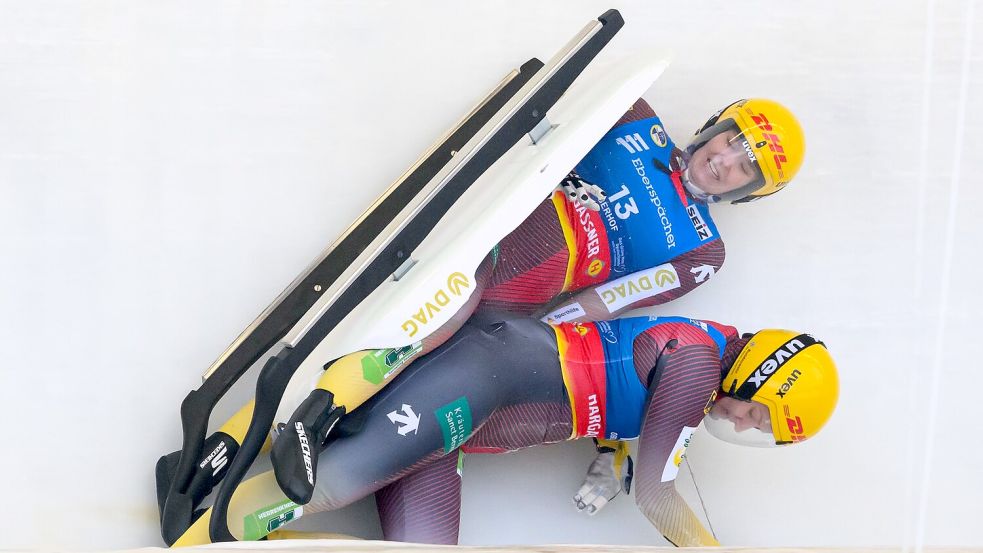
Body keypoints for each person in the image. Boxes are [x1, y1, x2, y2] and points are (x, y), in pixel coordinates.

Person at [269, 97, 808, 503]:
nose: (725, 161)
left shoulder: (703, 250)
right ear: (714, 124)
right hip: (489, 244)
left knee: (446, 377)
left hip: (522, 298)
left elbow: (606, 302)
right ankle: (318, 414)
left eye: (745, 168)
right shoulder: (636, 119)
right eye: (731, 141)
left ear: (747, 193)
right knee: (446, 310)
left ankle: (316, 451)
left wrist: (529, 336)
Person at [172, 310, 837, 547]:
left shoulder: (700, 357)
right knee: (331, 483)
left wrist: (611, 453)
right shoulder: (696, 365)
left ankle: (224, 493)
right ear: (758, 372)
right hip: (481, 377)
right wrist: (706, 547)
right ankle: (206, 527)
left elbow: (623, 393)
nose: (742, 422)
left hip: (465, 425)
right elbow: (657, 494)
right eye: (757, 412)